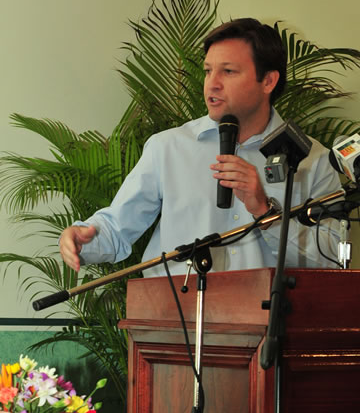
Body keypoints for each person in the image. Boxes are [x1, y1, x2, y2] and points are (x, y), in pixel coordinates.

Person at [59, 18, 341, 276]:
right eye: (208, 71)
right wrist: (82, 239)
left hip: (270, 325)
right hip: (175, 322)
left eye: (228, 71)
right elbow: (117, 228)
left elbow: (330, 260)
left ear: (268, 80)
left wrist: (265, 212)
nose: (212, 84)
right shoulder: (168, 147)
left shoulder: (312, 161)